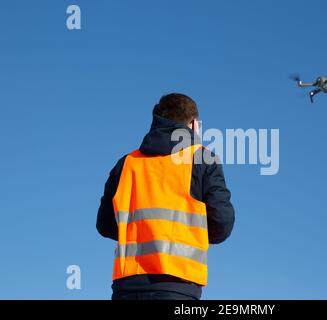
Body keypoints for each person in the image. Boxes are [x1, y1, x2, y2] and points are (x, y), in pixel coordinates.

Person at [96, 93, 235, 300]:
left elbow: (105, 224)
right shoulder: (202, 158)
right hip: (178, 286)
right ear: (194, 124)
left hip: (127, 286)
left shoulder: (126, 164)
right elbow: (222, 223)